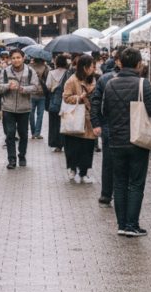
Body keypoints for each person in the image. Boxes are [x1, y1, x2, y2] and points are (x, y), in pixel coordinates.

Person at [95, 47, 151, 236]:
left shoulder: (110, 84)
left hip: (116, 139)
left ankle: (122, 225)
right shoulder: (143, 84)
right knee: (137, 183)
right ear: (139, 64)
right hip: (138, 139)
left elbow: (105, 110)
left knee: (120, 183)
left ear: (120, 62)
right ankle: (132, 224)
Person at [0, 49, 38, 169]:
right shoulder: (5, 71)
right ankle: (12, 159)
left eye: (18, 57)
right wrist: (7, 86)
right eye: (13, 58)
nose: (16, 60)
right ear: (10, 59)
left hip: (24, 109)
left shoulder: (30, 71)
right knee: (9, 134)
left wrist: (24, 89)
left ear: (23, 58)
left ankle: (22, 155)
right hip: (8, 108)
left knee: (23, 134)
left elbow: (35, 86)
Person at [62, 55, 97, 183]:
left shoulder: (94, 79)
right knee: (73, 145)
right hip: (75, 118)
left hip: (88, 118)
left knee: (87, 146)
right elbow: (66, 97)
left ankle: (84, 171)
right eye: (92, 66)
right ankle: (72, 169)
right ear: (85, 67)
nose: (94, 68)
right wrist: (79, 97)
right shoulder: (71, 80)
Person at [90, 57, 120, 206]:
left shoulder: (104, 78)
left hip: (108, 123)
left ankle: (106, 194)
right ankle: (115, 192)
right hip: (117, 123)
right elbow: (96, 101)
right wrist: (96, 122)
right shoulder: (139, 80)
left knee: (108, 160)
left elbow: (95, 101)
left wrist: (96, 122)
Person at [46, 54, 70, 153]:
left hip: (54, 101)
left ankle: (56, 144)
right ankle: (64, 142)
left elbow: (48, 85)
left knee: (54, 123)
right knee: (64, 122)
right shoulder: (68, 74)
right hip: (65, 101)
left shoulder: (51, 73)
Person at [29, 58, 48, 139]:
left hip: (31, 93)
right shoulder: (45, 68)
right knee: (40, 115)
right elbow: (47, 81)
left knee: (31, 114)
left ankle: (33, 132)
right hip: (42, 93)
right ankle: (37, 133)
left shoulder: (29, 67)